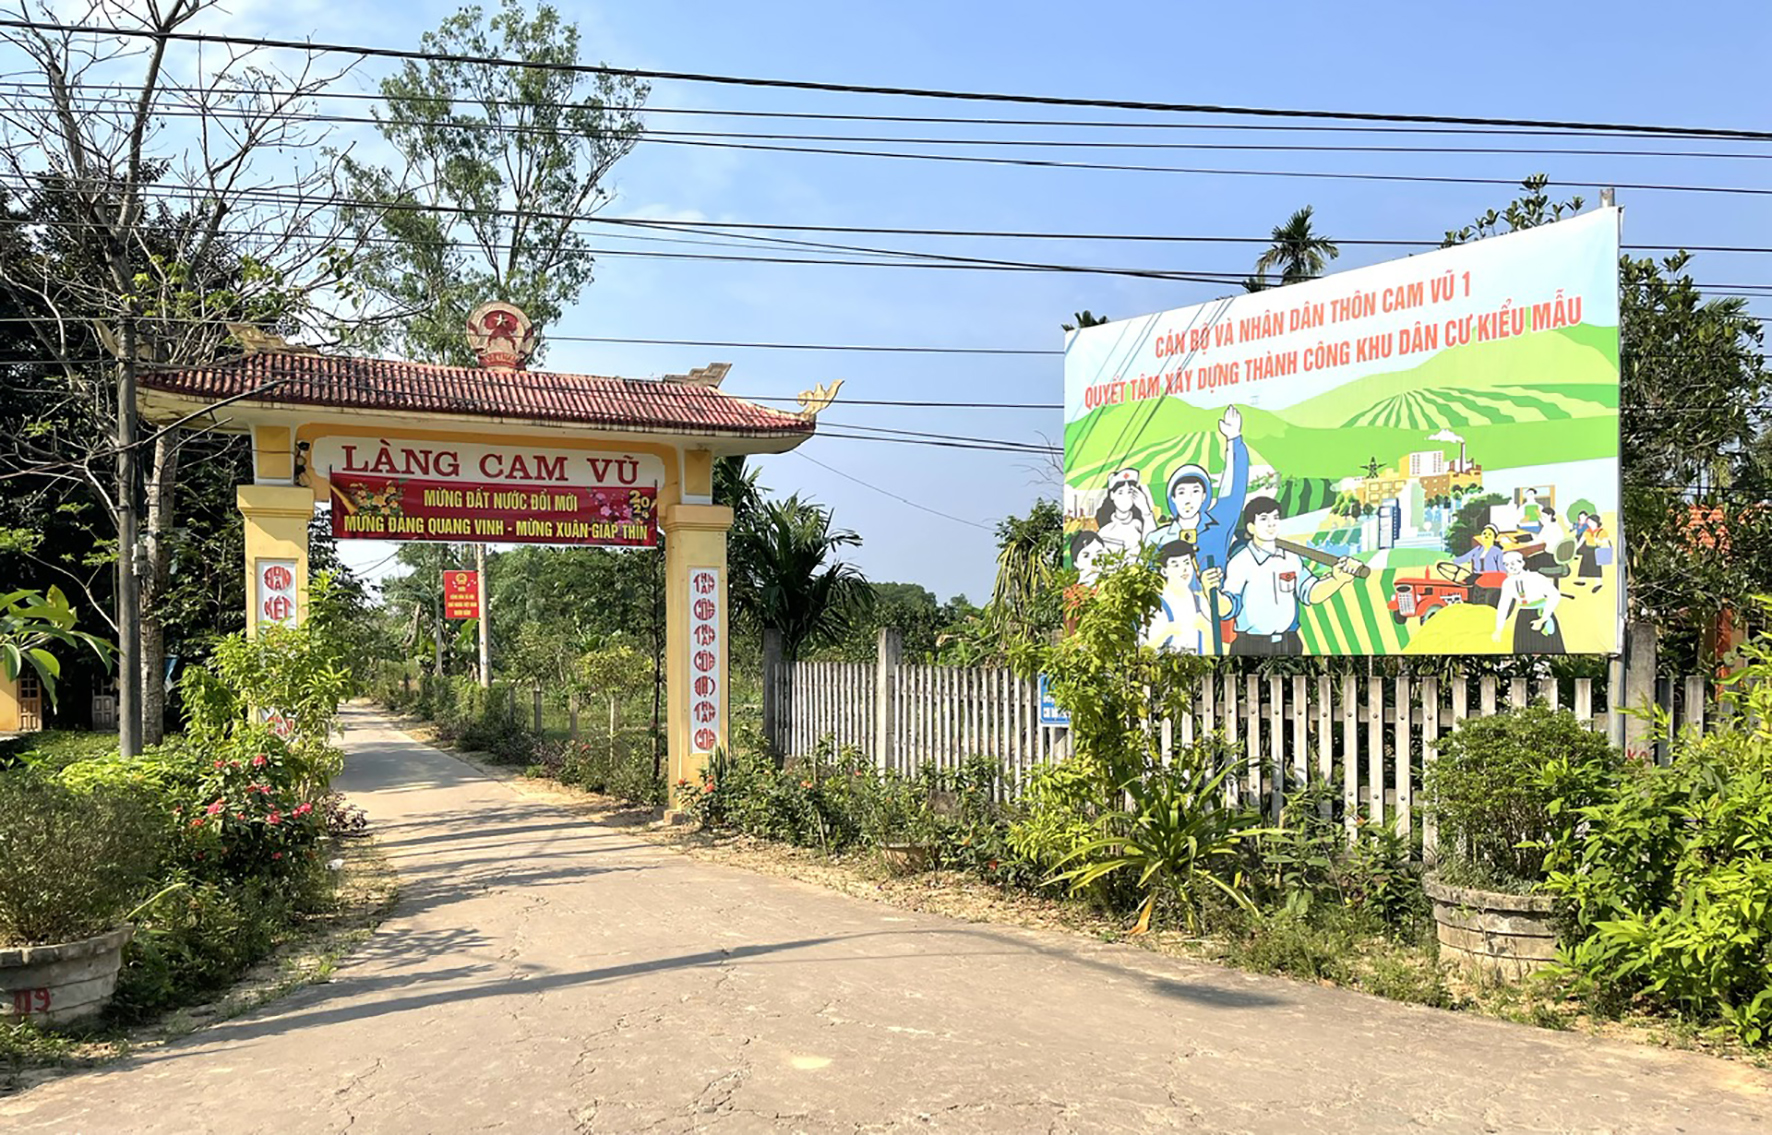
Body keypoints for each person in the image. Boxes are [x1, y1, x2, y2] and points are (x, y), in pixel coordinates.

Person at [1220, 496, 1359, 655]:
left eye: (1276, 518)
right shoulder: (1240, 562)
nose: (1271, 523)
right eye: (1264, 519)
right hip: (1250, 644)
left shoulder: (1292, 559)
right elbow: (1230, 604)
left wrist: (1338, 579)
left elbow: (1311, 593)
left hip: (1289, 642)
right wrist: (1212, 594)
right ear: (1251, 527)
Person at [1145, 405, 1248, 578]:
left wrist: (1234, 440)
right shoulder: (1158, 539)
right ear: (1173, 498)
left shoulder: (1219, 524)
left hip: (1215, 604)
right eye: (1182, 492)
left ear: (1204, 497)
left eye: (1195, 491)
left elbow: (1234, 490)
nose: (1188, 499)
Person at [1144, 539, 1231, 655]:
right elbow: (1143, 652)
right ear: (1164, 571)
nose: (1184, 569)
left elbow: (1213, 651)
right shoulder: (1156, 604)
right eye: (1175, 565)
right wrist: (1166, 632)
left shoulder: (1200, 601)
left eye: (1186, 562)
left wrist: (1206, 629)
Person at [1493, 550, 1565, 652]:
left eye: (1513, 563)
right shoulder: (1508, 583)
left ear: (1522, 563)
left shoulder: (1536, 577)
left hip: (1541, 613)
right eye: (1506, 564)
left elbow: (1554, 595)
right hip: (1523, 615)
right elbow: (1503, 605)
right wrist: (1498, 629)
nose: (1510, 567)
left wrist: (1543, 619)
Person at [1094, 469, 1157, 552]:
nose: (1125, 498)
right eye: (1120, 492)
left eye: (1130, 492)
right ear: (1112, 495)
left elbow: (1152, 546)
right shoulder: (1105, 530)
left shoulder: (1140, 525)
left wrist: (1146, 511)